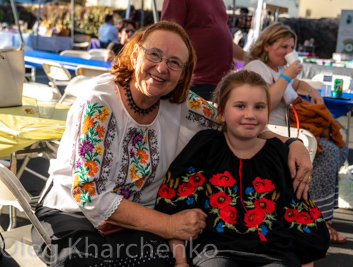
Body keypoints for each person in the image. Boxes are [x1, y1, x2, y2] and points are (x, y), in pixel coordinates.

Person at [31, 21, 313, 267]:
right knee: (87, 260)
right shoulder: (99, 102)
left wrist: (291, 142)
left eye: (175, 62)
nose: (162, 68)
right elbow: (89, 194)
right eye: (154, 54)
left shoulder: (178, 102)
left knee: (159, 259)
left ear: (183, 73)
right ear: (134, 54)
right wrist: (168, 225)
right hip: (70, 212)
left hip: (136, 220)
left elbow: (232, 120)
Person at [155, 70, 329, 267]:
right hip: (214, 252)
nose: (250, 115)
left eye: (259, 107)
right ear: (221, 112)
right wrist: (180, 262)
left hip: (276, 254)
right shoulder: (205, 148)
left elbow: (300, 218)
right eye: (240, 106)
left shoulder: (281, 155)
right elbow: (177, 207)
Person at [244, 22, 348, 244]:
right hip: (268, 131)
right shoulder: (256, 68)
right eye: (284, 47)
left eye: (292, 47)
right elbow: (263, 103)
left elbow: (297, 84)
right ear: (267, 46)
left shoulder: (279, 68)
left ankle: (321, 213)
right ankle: (320, 221)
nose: (289, 52)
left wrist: (312, 91)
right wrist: (286, 76)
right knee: (327, 152)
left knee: (339, 146)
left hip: (291, 128)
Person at [161, 0, 246, 100]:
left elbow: (223, 40)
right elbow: (167, 35)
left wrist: (253, 57)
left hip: (222, 84)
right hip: (196, 85)